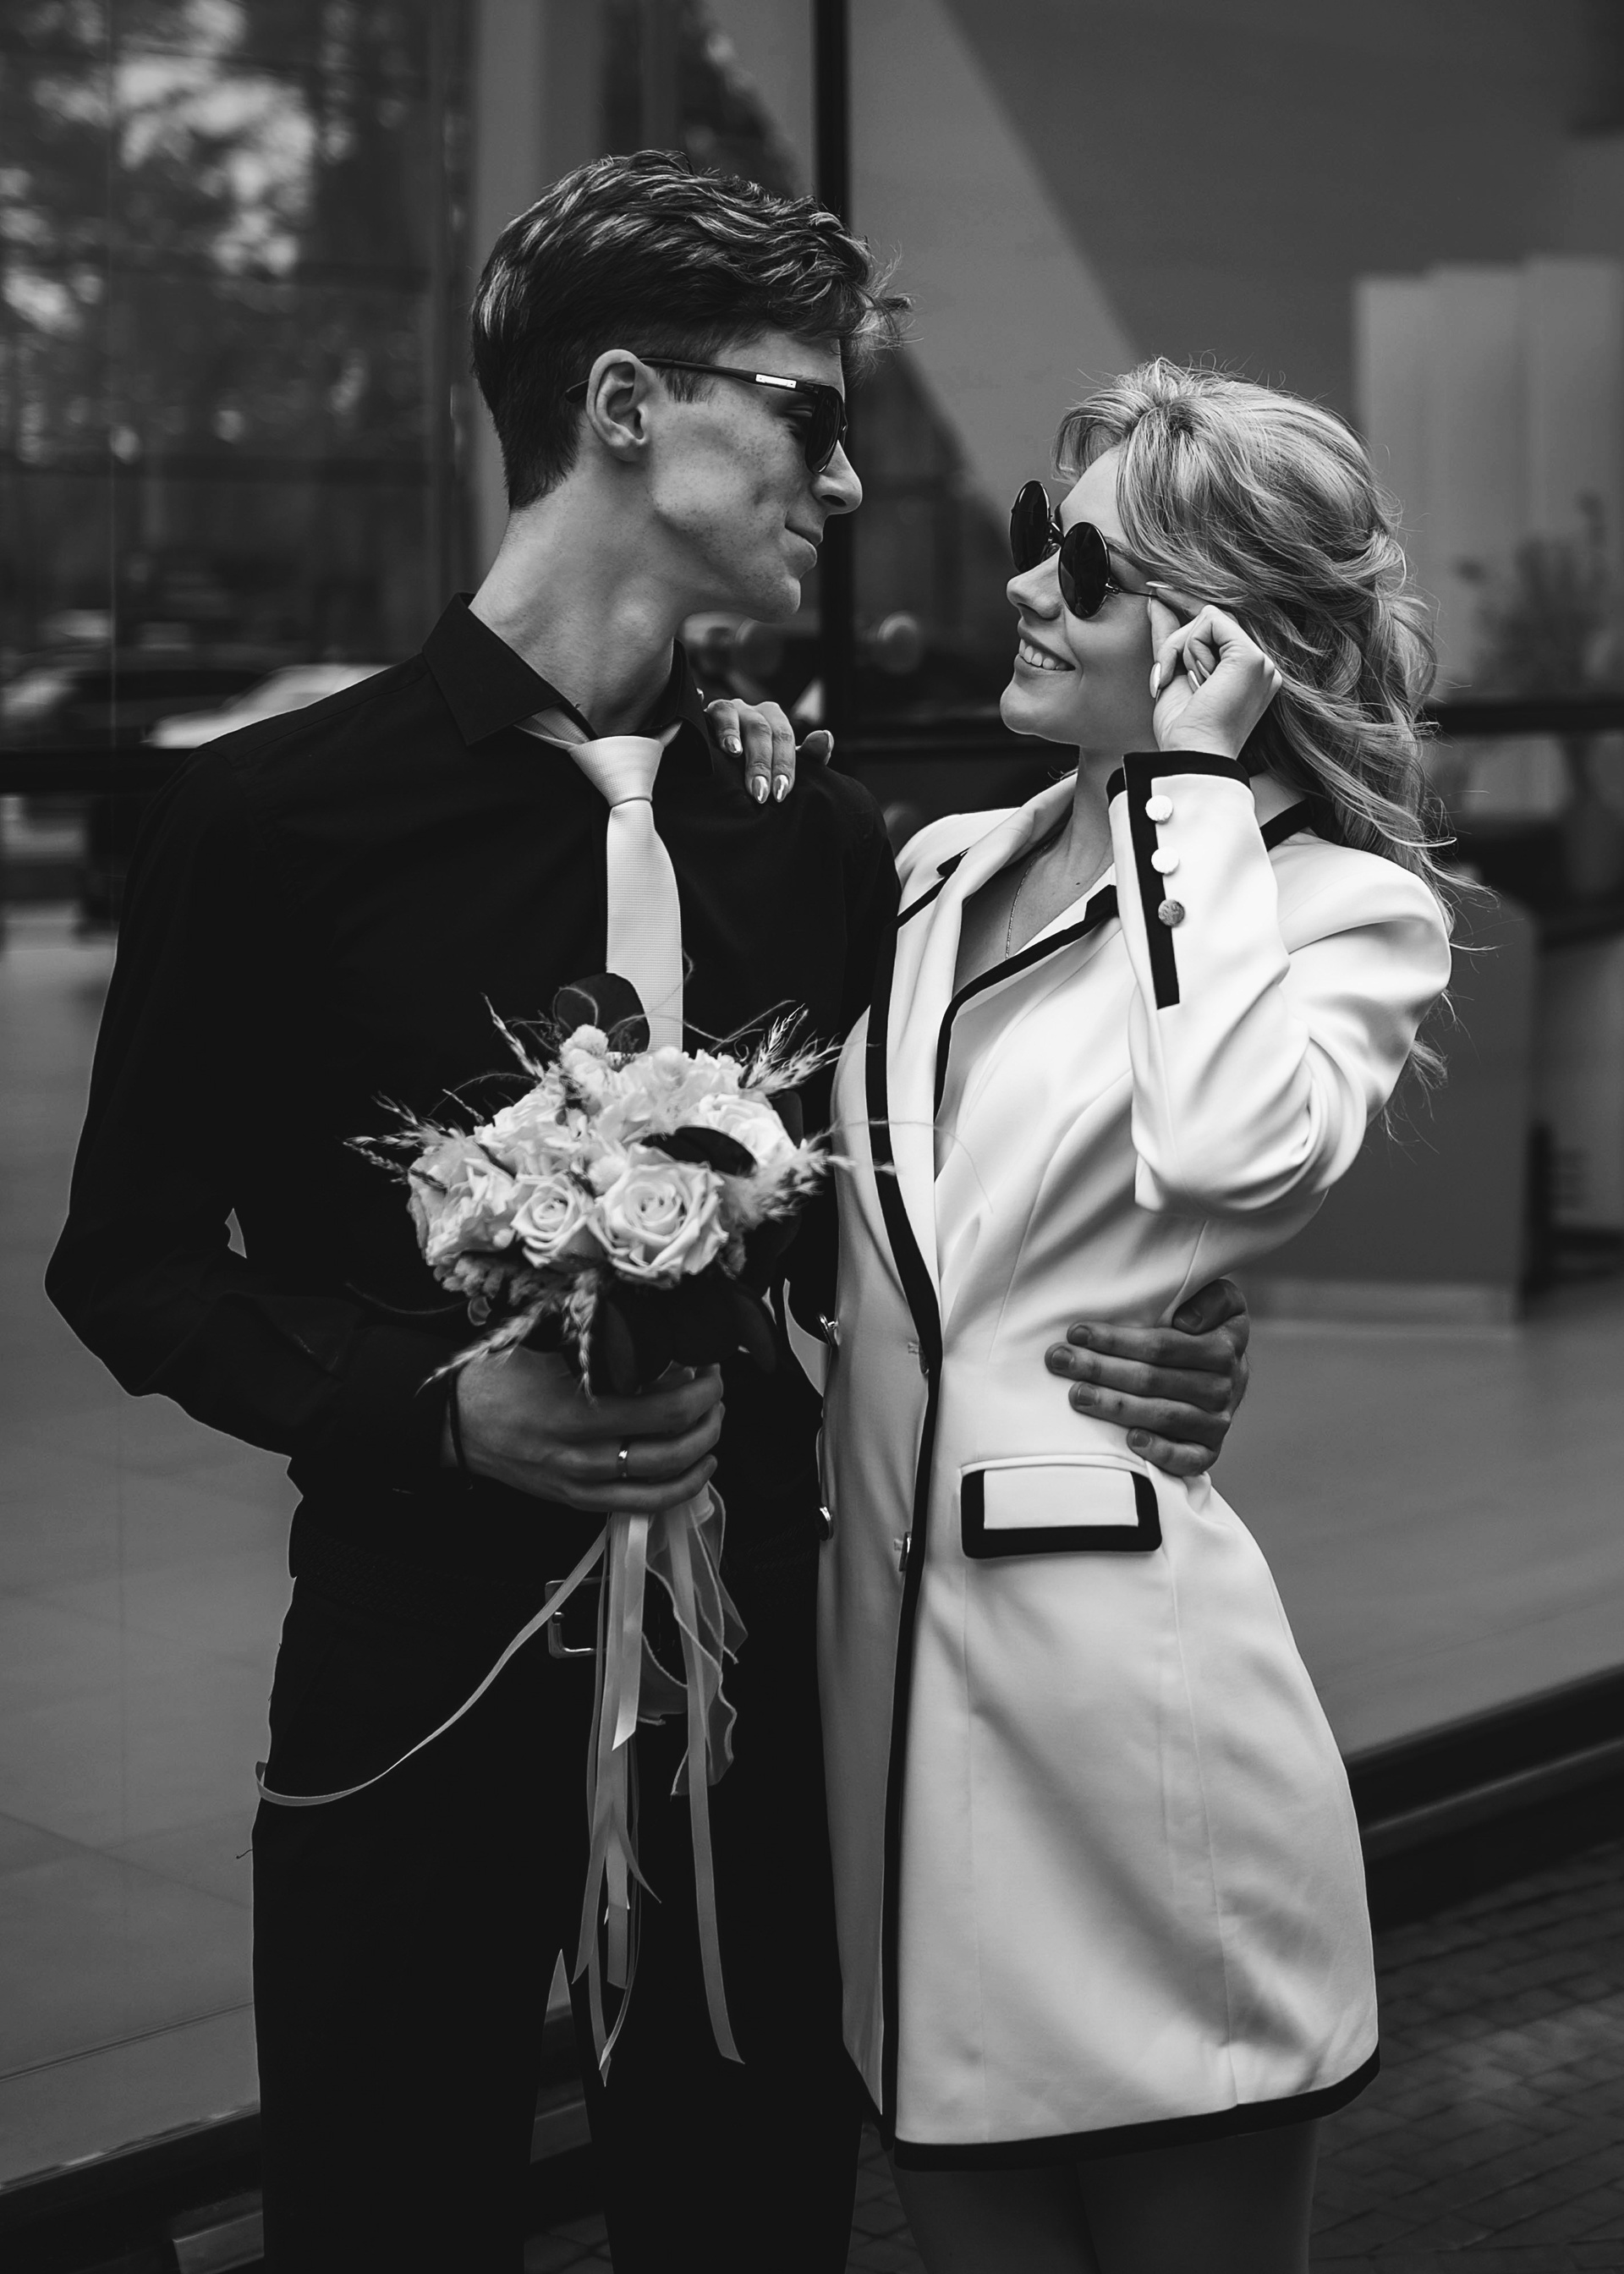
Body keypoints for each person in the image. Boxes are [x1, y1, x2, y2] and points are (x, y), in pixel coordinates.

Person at [47, 162, 1251, 2273]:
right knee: (384, 2217)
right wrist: (431, 1408)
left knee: (751, 2221)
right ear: (624, 406)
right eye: (809, 414)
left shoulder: (813, 834)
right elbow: (130, 1262)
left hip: (759, 1677)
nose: (848, 478)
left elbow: (924, 1220)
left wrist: (1163, 1319)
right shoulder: (270, 820)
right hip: (412, 1667)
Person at [812, 360, 1456, 2274]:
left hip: (1131, 1742)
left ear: (1217, 645)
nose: (1026, 585)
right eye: (1040, 535)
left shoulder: (1342, 910)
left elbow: (1233, 1149)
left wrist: (1186, 789)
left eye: (1084, 568)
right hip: (896, 1734)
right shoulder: (946, 874)